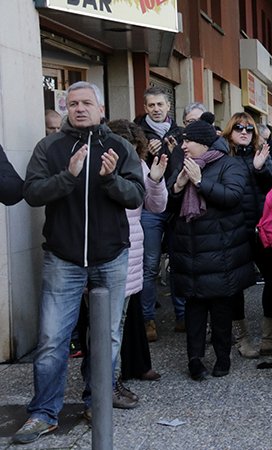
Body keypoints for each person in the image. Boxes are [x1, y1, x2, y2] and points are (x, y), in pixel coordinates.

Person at [14, 81, 145, 445]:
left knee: (109, 337)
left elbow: (136, 197)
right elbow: (31, 193)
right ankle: (43, 413)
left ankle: (96, 403)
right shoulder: (50, 147)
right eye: (73, 104)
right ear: (66, 109)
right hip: (63, 258)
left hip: (111, 255)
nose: (80, 108)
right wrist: (68, 177)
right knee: (52, 338)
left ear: (101, 109)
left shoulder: (118, 146)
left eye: (87, 103)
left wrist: (110, 179)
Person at [168, 112, 254, 381]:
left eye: (188, 141)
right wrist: (177, 187)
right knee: (193, 308)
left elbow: (232, 197)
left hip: (220, 250)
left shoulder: (230, 165)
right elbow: (167, 209)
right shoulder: (183, 164)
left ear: (204, 143)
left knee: (220, 308)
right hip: (188, 248)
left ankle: (222, 357)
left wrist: (200, 183)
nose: (183, 146)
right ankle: (194, 360)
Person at [221, 112, 272, 359]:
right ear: (230, 131)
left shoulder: (260, 154)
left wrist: (260, 168)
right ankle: (241, 337)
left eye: (249, 129)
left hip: (259, 230)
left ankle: (270, 337)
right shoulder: (222, 156)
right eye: (239, 128)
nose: (244, 132)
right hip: (234, 231)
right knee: (237, 284)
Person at [106, 119, 167, 389]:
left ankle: (136, 366)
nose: (126, 152)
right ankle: (111, 378)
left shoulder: (140, 165)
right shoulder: (100, 167)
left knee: (130, 315)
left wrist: (154, 179)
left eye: (131, 146)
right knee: (111, 320)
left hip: (132, 248)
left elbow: (155, 205)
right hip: (108, 248)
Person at [136, 89, 188, 341]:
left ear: (169, 107)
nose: (156, 108)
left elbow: (185, 165)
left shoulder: (179, 133)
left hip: (176, 205)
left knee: (178, 263)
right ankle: (147, 320)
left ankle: (182, 316)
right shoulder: (136, 133)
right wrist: (146, 150)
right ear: (145, 108)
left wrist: (175, 150)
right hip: (149, 208)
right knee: (149, 265)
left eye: (160, 104)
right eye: (151, 105)